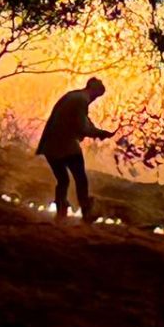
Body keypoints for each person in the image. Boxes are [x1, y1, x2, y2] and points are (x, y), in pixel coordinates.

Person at [37, 76, 111, 222]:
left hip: (50, 144)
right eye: (96, 96)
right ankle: (86, 213)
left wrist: (98, 132)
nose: (95, 99)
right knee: (80, 178)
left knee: (63, 180)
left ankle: (61, 212)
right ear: (93, 90)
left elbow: (84, 122)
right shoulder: (81, 101)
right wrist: (98, 133)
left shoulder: (73, 96)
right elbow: (81, 126)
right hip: (65, 144)